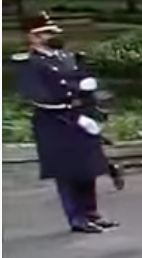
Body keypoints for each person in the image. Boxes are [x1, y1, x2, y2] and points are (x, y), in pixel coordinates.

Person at [15, 14, 118, 232]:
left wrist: (91, 106)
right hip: (55, 122)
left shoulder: (65, 57)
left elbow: (80, 79)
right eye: (45, 33)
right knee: (67, 172)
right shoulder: (30, 64)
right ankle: (77, 218)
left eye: (52, 32)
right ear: (32, 37)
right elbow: (40, 96)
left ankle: (91, 212)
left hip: (78, 116)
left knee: (87, 168)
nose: (51, 36)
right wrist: (77, 109)